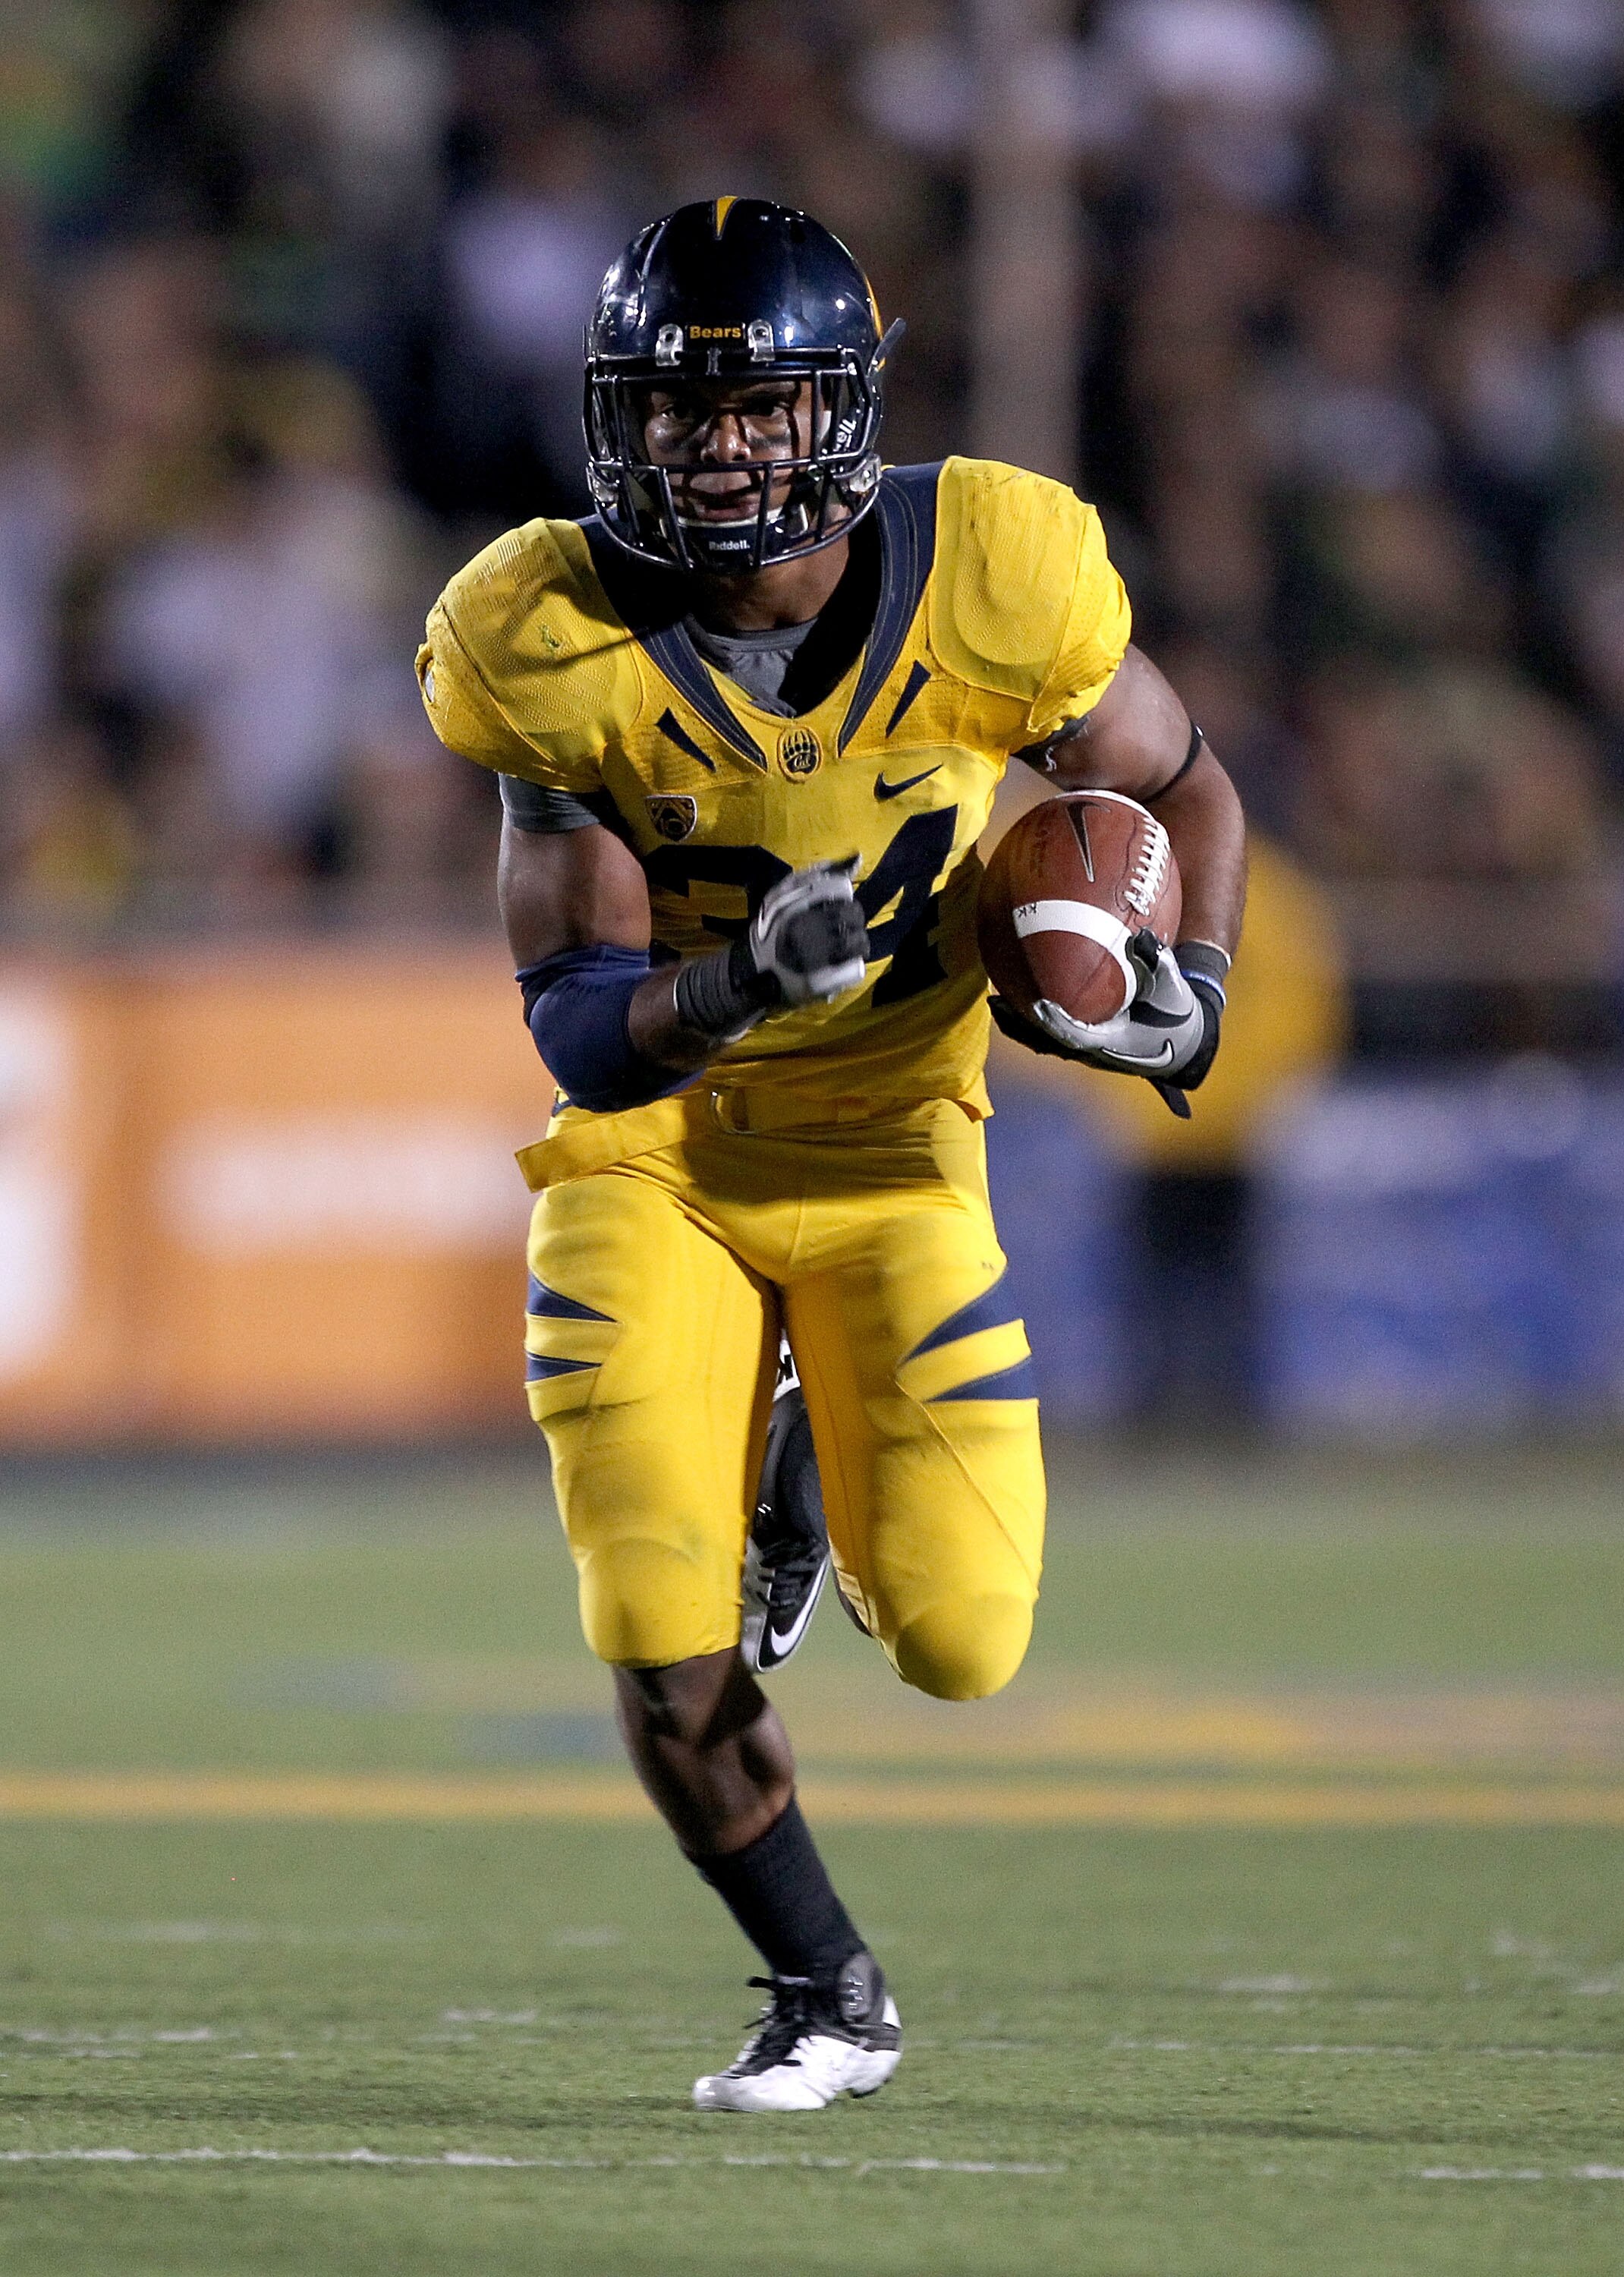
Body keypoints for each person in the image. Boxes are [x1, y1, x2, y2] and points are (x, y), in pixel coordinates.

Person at [417, 198, 1246, 2112]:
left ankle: (804, 1444)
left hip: (894, 1150)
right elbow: (570, 1017)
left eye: (759, 408)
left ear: (845, 411)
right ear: (613, 424)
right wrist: (728, 989)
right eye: (675, 413)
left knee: (959, 1640)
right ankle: (823, 1987)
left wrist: (1182, 996)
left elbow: (1181, 784)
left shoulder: (1002, 570)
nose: (714, 451)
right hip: (662, 1158)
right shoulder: (538, 635)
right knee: (649, 1607)